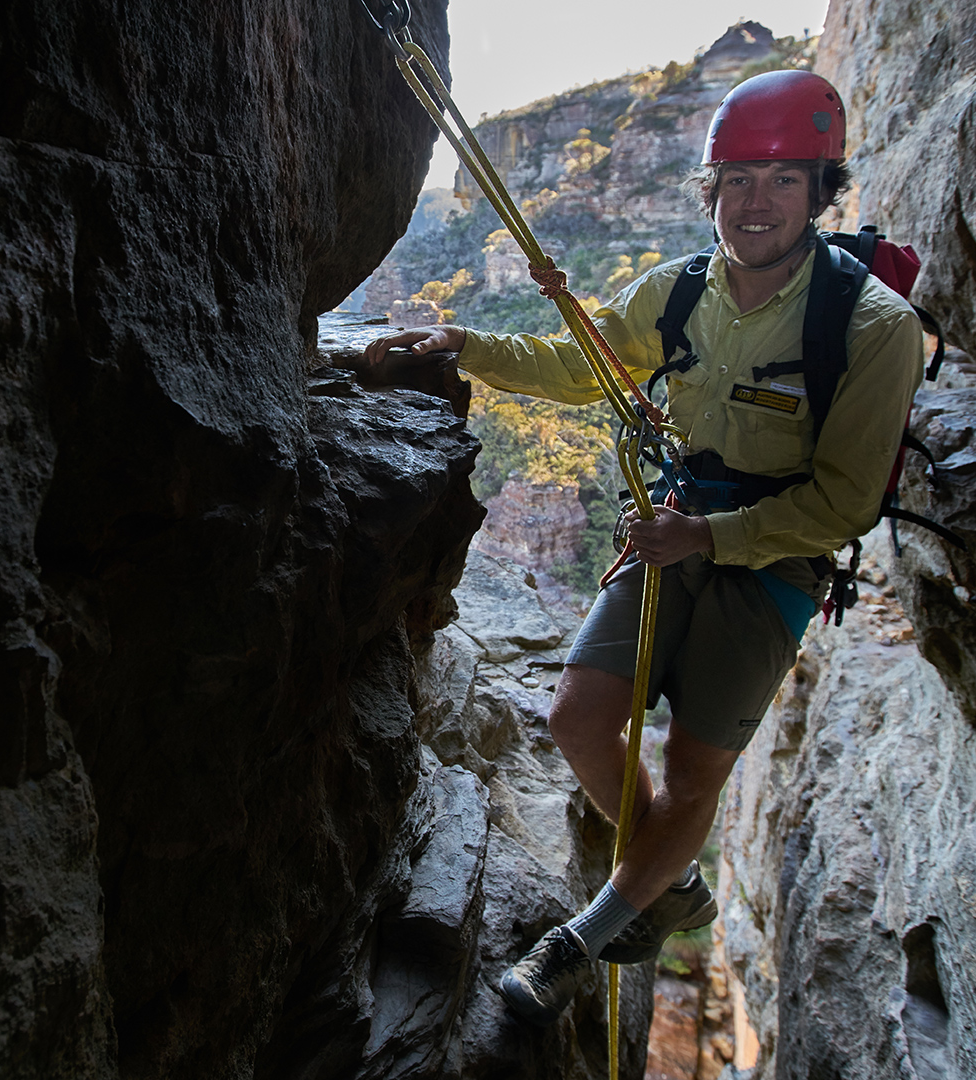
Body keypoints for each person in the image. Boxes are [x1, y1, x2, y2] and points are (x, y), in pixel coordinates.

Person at [360, 70, 924, 1026]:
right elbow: (583, 366)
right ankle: (670, 880)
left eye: (785, 181)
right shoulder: (677, 293)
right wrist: (462, 343)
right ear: (710, 189)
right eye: (738, 179)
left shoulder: (874, 327)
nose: (757, 203)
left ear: (822, 192)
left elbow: (841, 505)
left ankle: (590, 936)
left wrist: (705, 533)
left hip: (774, 559)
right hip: (675, 532)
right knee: (580, 718)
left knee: (697, 772)